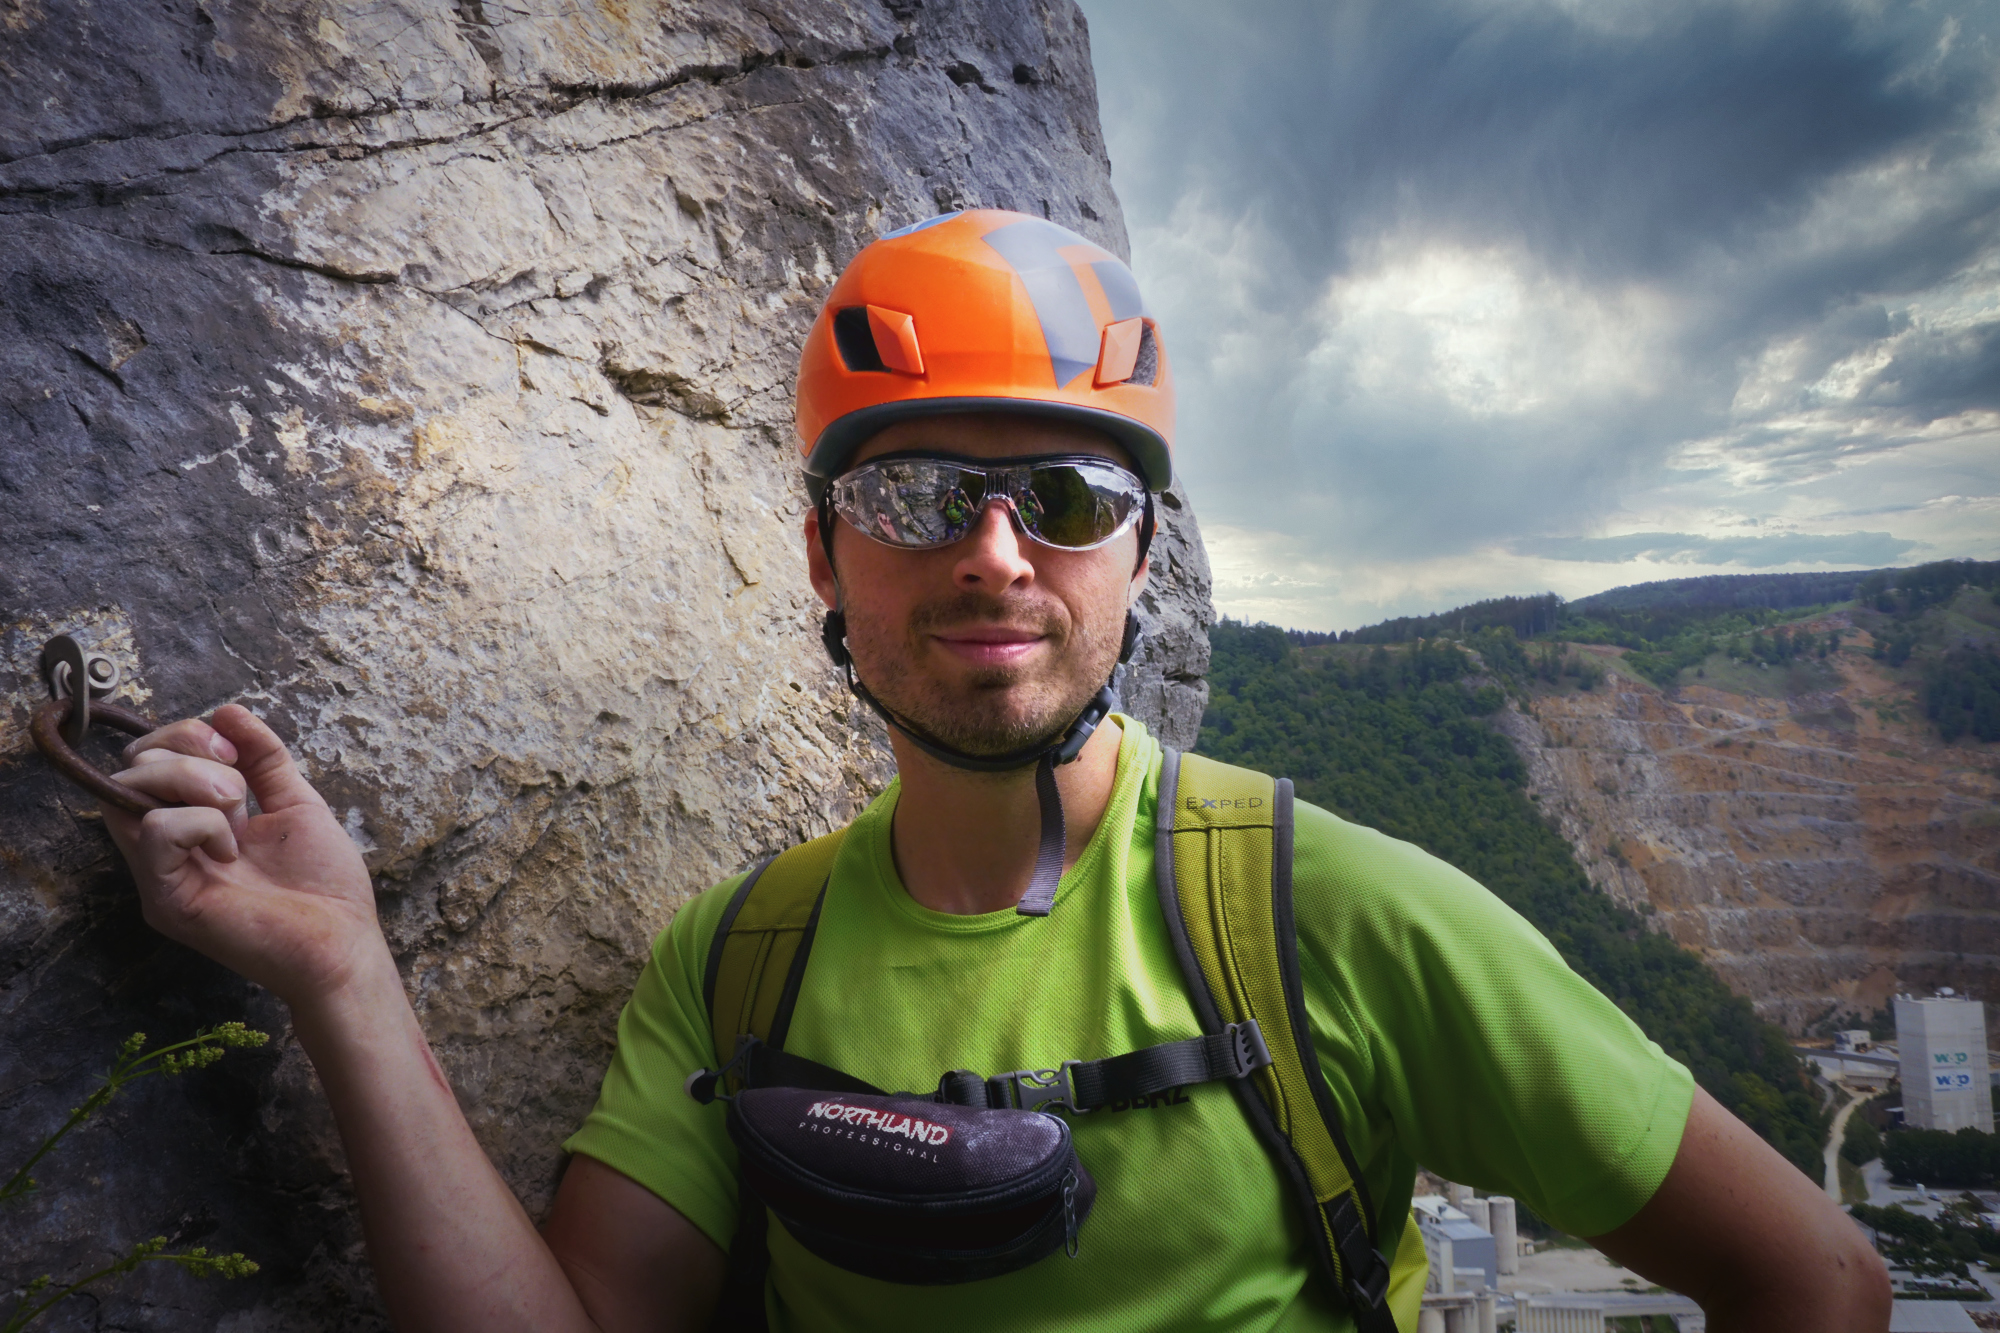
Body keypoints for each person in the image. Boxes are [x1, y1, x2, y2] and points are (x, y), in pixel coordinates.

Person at [102, 209, 1888, 1332]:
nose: (994, 554)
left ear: (1140, 554)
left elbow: (1814, 1277)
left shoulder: (1327, 916)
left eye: (1067, 496)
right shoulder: (739, 966)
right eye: (914, 492)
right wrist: (343, 972)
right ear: (825, 553)